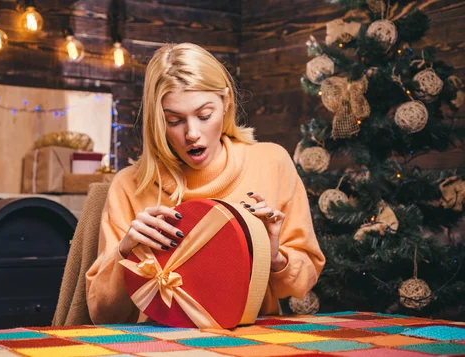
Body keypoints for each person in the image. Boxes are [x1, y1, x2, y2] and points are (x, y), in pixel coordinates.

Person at [86, 43, 325, 324]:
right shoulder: (129, 185)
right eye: (174, 120)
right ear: (156, 122)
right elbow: (102, 314)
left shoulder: (272, 162)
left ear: (226, 102)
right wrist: (125, 252)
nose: (192, 134)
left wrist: (272, 257)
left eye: (204, 115)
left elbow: (301, 283)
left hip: (252, 339)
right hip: (157, 342)